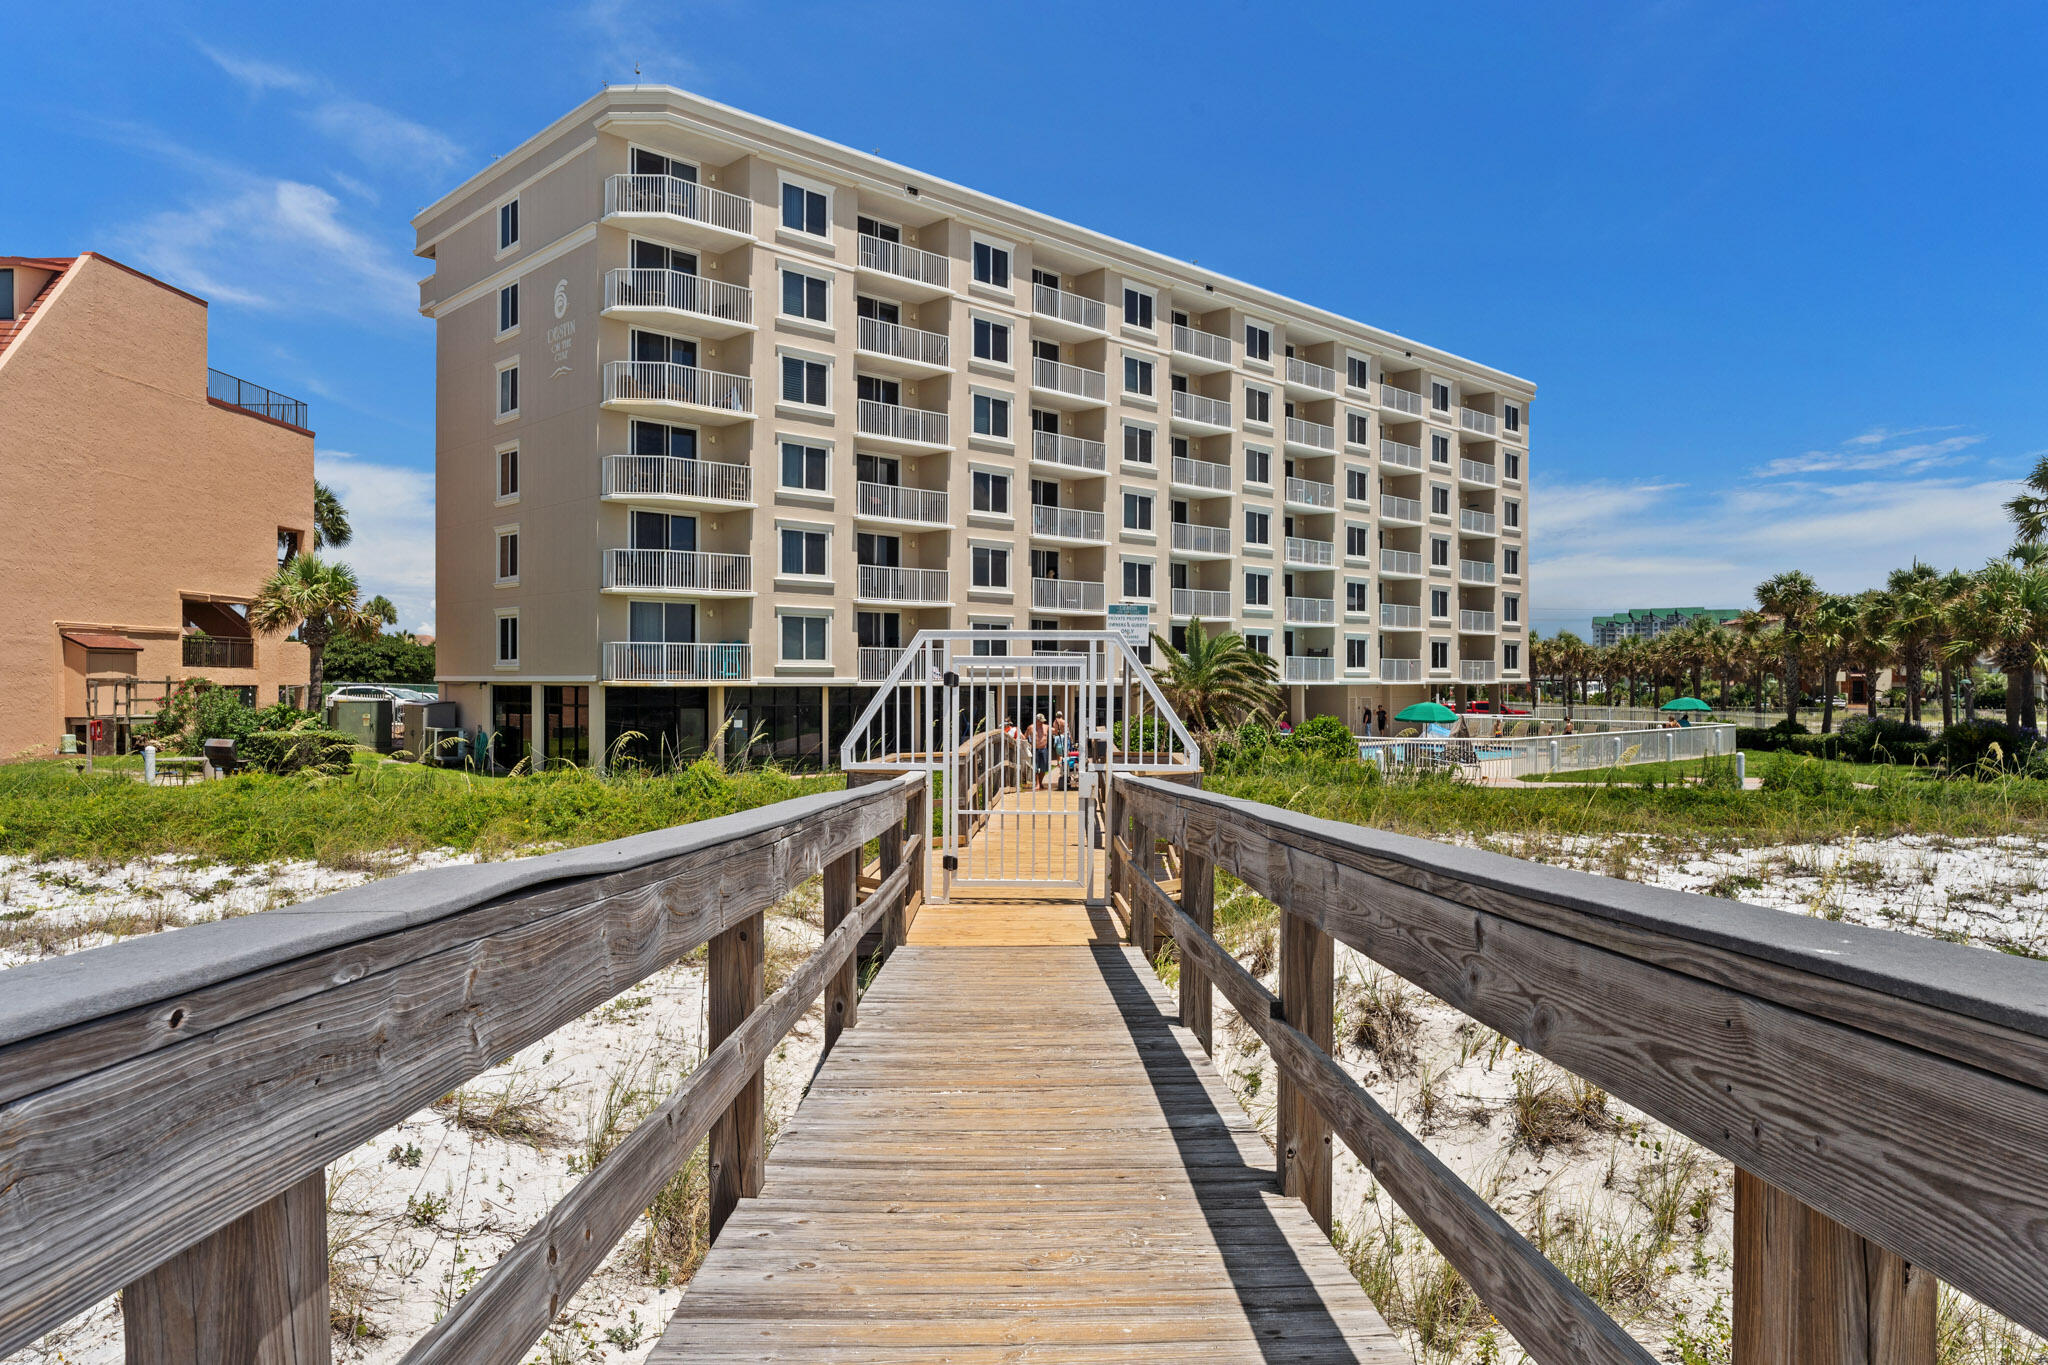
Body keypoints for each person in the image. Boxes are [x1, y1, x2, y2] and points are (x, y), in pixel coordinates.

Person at [1051, 713, 1070, 790]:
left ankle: (1059, 763)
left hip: (1058, 736)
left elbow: (1054, 730)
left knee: (1058, 753)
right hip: (1064, 737)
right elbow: (1067, 729)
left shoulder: (1055, 722)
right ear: (1061, 715)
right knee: (1065, 751)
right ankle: (1064, 762)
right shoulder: (1064, 722)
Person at [1031, 713, 1050, 790]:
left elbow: (1056, 731)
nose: (1042, 723)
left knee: (1044, 768)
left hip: (1044, 749)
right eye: (1040, 721)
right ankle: (1037, 784)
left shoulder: (1046, 727)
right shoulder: (1031, 727)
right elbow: (1024, 736)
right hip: (1035, 749)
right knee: (1035, 767)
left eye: (1043, 721)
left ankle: (1040, 782)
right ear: (1036, 720)